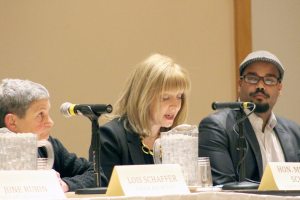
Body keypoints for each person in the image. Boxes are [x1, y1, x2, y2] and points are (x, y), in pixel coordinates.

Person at [198, 50, 300, 186]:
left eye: (269, 80)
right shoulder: (216, 127)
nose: (260, 86)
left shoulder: (294, 132)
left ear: (279, 88)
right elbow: (224, 192)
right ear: (240, 84)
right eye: (252, 78)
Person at [89, 53, 191, 185]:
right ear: (143, 98)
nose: (175, 105)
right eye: (165, 97)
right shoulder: (110, 138)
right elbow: (106, 194)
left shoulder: (178, 140)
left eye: (179, 96)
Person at [0, 78, 107, 192]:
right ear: (12, 121)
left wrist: (64, 184)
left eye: (47, 113)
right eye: (40, 115)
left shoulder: (48, 146)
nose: (50, 122)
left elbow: (96, 175)